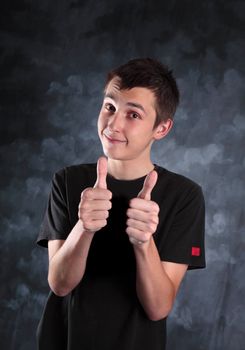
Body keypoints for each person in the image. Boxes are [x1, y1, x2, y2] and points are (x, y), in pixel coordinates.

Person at [36, 58, 205, 350]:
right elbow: (60, 284)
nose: (113, 124)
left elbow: (158, 307)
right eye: (109, 107)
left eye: (133, 115)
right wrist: (84, 228)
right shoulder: (67, 180)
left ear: (161, 128)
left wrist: (143, 243)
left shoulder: (184, 196)